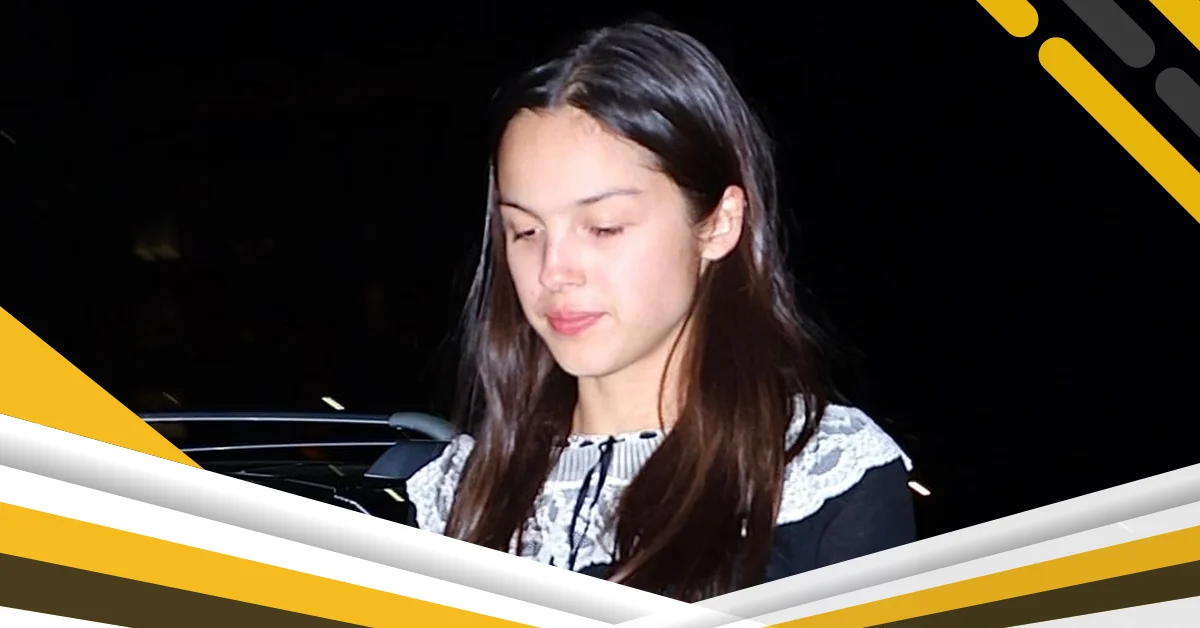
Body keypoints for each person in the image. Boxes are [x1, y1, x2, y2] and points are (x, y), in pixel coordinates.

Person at [406, 19, 915, 602]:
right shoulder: (457, 495)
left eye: (604, 227)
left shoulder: (819, 476)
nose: (553, 270)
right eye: (525, 230)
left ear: (719, 224)